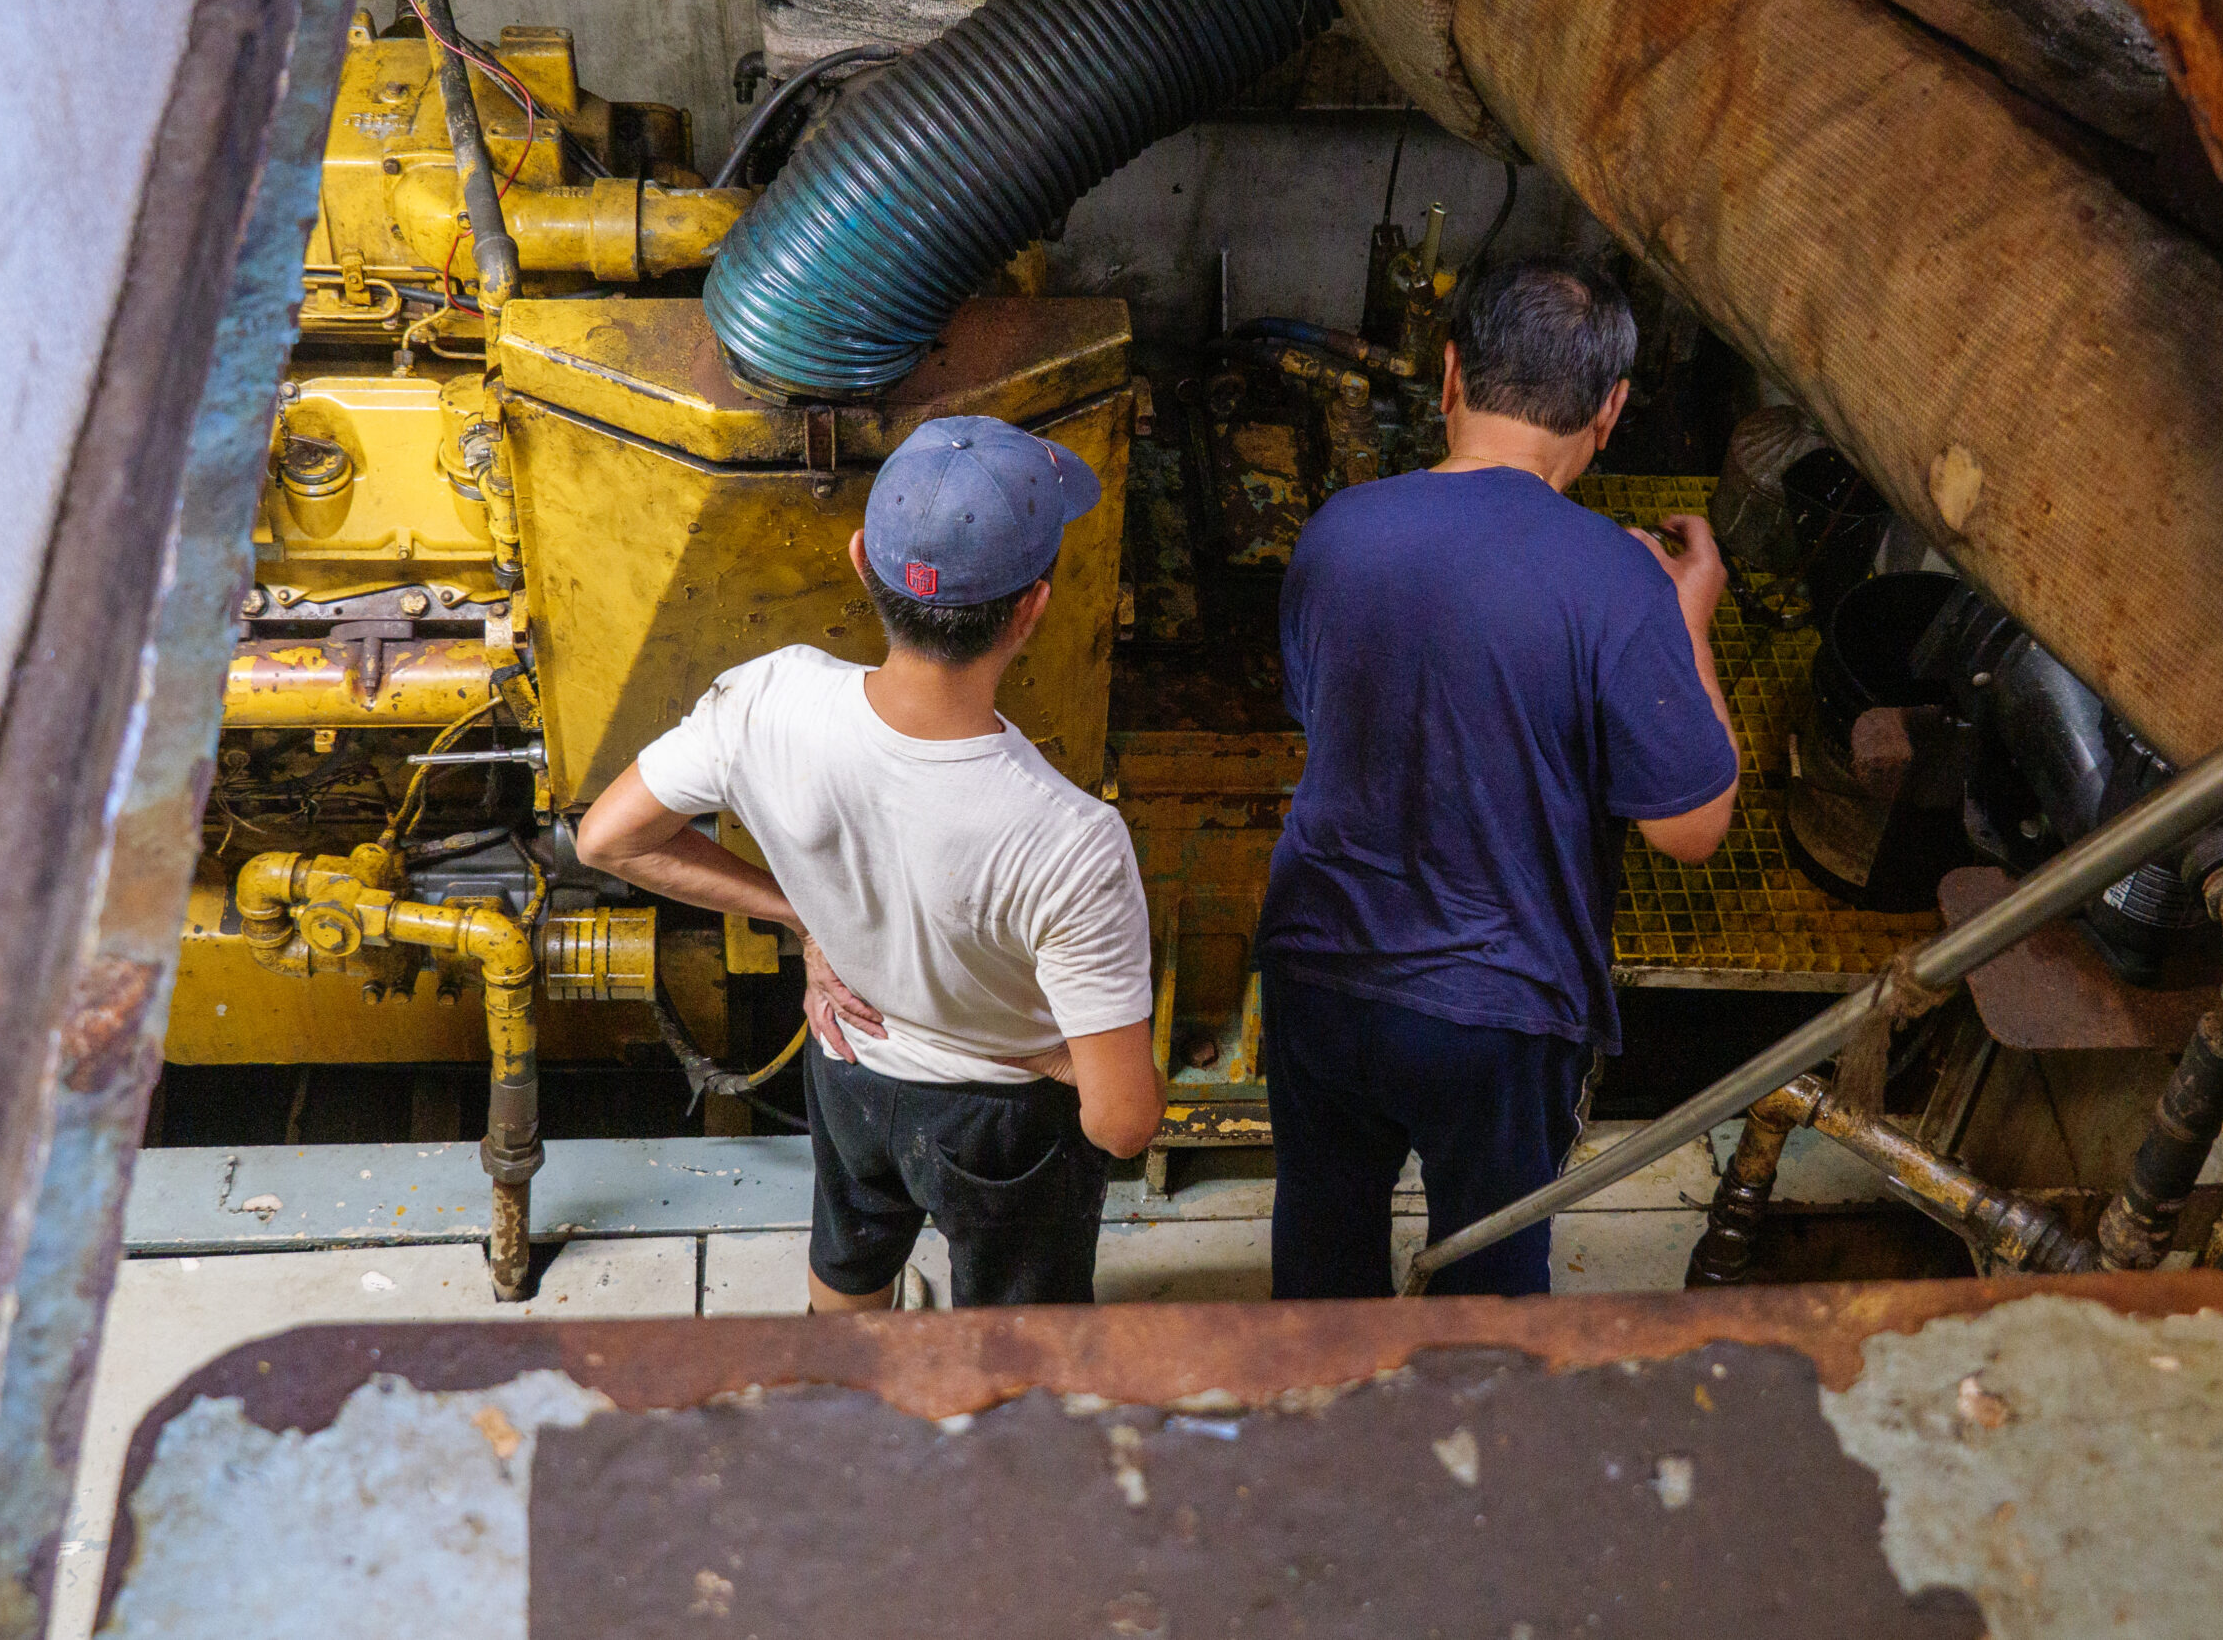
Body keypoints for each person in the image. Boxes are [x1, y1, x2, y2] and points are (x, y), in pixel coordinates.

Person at [576, 416, 1163, 1310]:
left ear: (861, 561)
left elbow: (609, 838)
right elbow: (1122, 1125)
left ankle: (849, 1412)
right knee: (1016, 1342)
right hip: (998, 1121)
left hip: (849, 1060)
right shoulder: (1070, 839)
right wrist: (1047, 1059)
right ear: (1032, 608)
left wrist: (801, 915)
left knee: (850, 1263)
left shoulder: (764, 699)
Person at [1256, 257, 1741, 1299]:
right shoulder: (1618, 580)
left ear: (1448, 377)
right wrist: (1687, 619)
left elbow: (1324, 716)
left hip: (1322, 970)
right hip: (1497, 1010)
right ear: (1609, 411)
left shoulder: (1338, 531)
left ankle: (1306, 1434)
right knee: (1490, 1288)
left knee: (1318, 1257)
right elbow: (1691, 827)